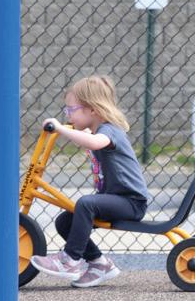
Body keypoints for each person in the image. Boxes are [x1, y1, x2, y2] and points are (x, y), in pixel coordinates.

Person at [30, 75, 151, 287]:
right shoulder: (98, 131)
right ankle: (99, 264)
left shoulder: (110, 130)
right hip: (115, 199)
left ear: (92, 110)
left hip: (131, 202)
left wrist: (60, 128)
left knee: (86, 203)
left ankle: (70, 261)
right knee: (65, 221)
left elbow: (95, 143)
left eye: (71, 109)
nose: (68, 115)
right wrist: (76, 131)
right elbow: (90, 139)